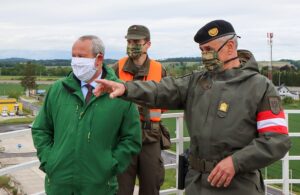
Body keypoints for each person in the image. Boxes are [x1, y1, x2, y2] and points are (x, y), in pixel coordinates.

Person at [93, 20, 291, 195]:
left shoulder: (259, 87)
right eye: (202, 51)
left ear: (230, 47)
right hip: (197, 184)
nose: (205, 56)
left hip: (239, 186)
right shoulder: (196, 82)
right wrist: (125, 88)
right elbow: (160, 89)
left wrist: (236, 162)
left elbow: (276, 140)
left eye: (209, 49)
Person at [31, 35, 142, 195]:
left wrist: (109, 166)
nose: (75, 61)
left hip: (99, 187)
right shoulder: (57, 89)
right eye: (73, 56)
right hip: (59, 185)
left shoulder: (120, 94)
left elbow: (131, 139)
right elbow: (41, 129)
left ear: (99, 59)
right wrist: (50, 161)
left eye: (81, 57)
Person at [111, 25, 167, 195]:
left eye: (137, 41)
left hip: (150, 138)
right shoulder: (116, 68)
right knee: (121, 189)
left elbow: (166, 100)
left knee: (151, 187)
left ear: (147, 44)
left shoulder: (159, 70)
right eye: (129, 41)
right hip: (122, 138)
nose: (132, 45)